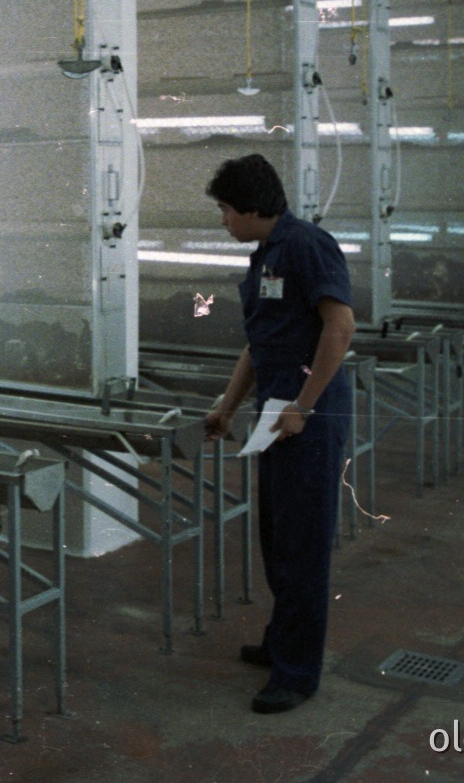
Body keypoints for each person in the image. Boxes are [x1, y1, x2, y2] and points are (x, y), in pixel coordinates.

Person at [202, 153, 355, 714]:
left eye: (224, 209)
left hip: (304, 419)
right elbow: (258, 342)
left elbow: (340, 326)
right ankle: (281, 642)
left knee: (303, 543)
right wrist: (227, 407)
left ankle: (297, 674)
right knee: (278, 535)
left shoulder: (308, 245)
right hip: (277, 414)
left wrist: (305, 407)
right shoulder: (266, 254)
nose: (222, 220)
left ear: (249, 206)